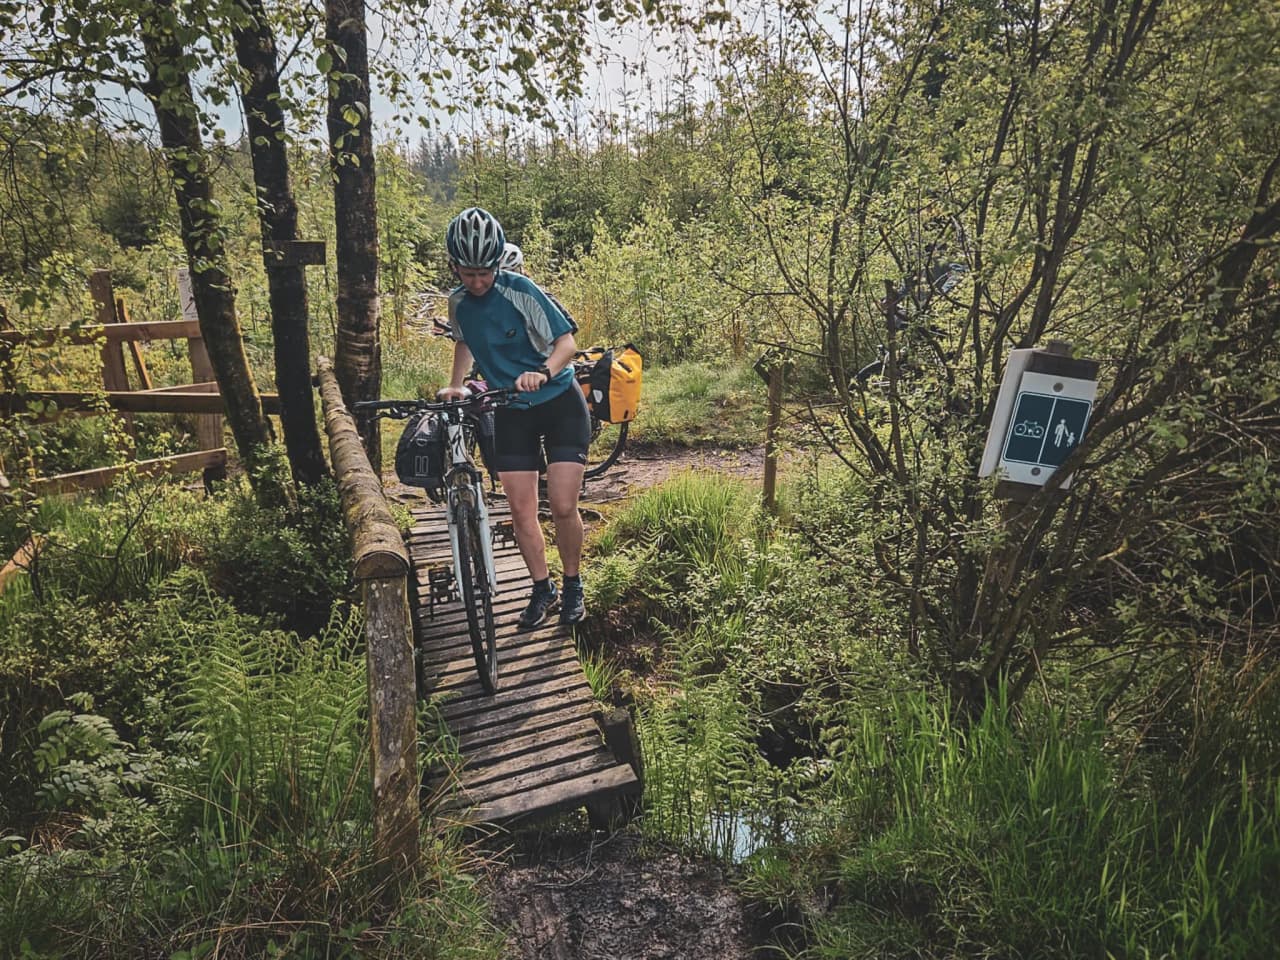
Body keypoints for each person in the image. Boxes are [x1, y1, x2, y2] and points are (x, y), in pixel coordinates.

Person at [437, 207, 590, 627]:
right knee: (521, 511)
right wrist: (457, 383)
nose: (478, 281)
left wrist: (542, 372)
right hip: (508, 410)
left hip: (559, 402)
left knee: (561, 504)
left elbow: (567, 343)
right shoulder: (458, 303)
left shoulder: (520, 289)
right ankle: (543, 589)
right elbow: (463, 342)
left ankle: (574, 584)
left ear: (496, 263)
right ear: (454, 266)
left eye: (484, 272)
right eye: (468, 274)